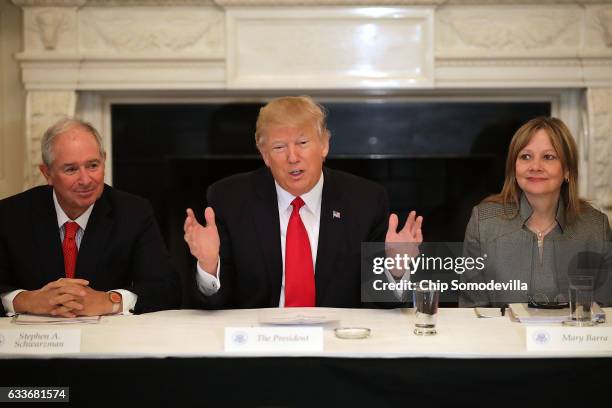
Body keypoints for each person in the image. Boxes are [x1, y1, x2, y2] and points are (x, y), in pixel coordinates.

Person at [184, 96, 423, 309]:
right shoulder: (230, 199)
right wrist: (208, 265)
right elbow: (213, 303)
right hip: (259, 346)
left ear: (324, 145)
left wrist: (396, 269)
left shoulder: (365, 200)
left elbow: (383, 302)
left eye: (302, 143)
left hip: (337, 344)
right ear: (265, 155)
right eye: (279, 147)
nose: (292, 157)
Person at [0, 118, 181, 317]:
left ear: (104, 160)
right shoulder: (10, 215)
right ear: (47, 173)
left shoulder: (133, 212)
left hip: (107, 341)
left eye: (93, 165)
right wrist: (25, 300)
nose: (86, 180)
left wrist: (110, 301)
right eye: (71, 169)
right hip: (34, 341)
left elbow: (167, 289)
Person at [460, 117, 611, 307]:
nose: (535, 167)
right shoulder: (484, 222)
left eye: (548, 157)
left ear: (567, 170)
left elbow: (606, 316)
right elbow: (472, 310)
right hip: (501, 337)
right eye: (525, 157)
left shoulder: (596, 227)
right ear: (514, 170)